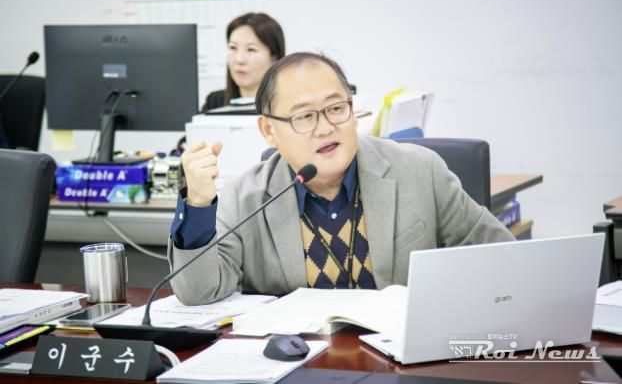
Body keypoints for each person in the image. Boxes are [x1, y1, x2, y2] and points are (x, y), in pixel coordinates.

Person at [169, 52, 514, 305]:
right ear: (269, 130)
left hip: (401, 358)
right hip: (300, 365)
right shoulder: (245, 196)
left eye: (336, 109)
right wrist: (198, 203)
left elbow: (503, 260)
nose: (325, 128)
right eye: (305, 116)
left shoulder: (420, 171)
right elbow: (199, 292)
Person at [202, 12, 285, 112]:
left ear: (274, 58)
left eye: (251, 49)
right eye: (233, 47)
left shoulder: (289, 104)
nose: (239, 60)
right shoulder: (214, 102)